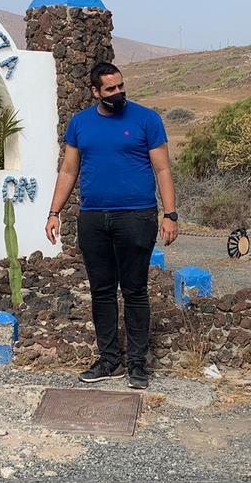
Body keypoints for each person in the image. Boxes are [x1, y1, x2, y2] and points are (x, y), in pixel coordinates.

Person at [45, 62, 179, 390]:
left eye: (120, 86)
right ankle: (108, 360)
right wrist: (54, 212)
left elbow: (162, 170)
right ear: (95, 91)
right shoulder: (80, 124)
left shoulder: (147, 119)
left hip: (136, 216)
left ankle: (137, 363)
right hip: (93, 218)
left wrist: (170, 214)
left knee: (134, 291)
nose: (118, 93)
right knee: (101, 291)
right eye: (110, 89)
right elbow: (68, 171)